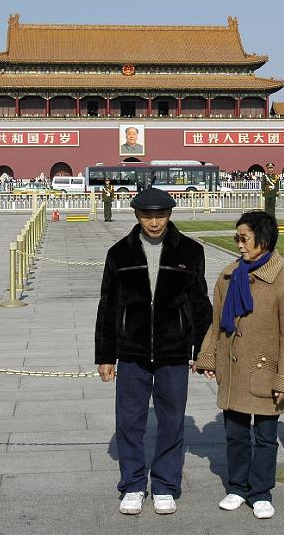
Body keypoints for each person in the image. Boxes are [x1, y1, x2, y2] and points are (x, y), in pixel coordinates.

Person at [95, 187, 213, 516]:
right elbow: (107, 307)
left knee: (172, 422)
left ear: (170, 215)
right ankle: (133, 484)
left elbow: (200, 304)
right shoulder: (119, 253)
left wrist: (204, 351)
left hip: (173, 352)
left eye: (160, 215)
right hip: (132, 352)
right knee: (129, 421)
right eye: (147, 215)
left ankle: (164, 484)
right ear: (136, 215)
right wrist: (105, 356)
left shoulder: (190, 251)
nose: (154, 222)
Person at [195, 210, 284, 520]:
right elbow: (216, 323)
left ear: (264, 240)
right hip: (232, 371)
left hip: (265, 373)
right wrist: (208, 356)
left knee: (266, 436)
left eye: (245, 238)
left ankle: (261, 492)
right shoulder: (228, 275)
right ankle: (238, 487)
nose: (239, 245)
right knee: (236, 435)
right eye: (236, 238)